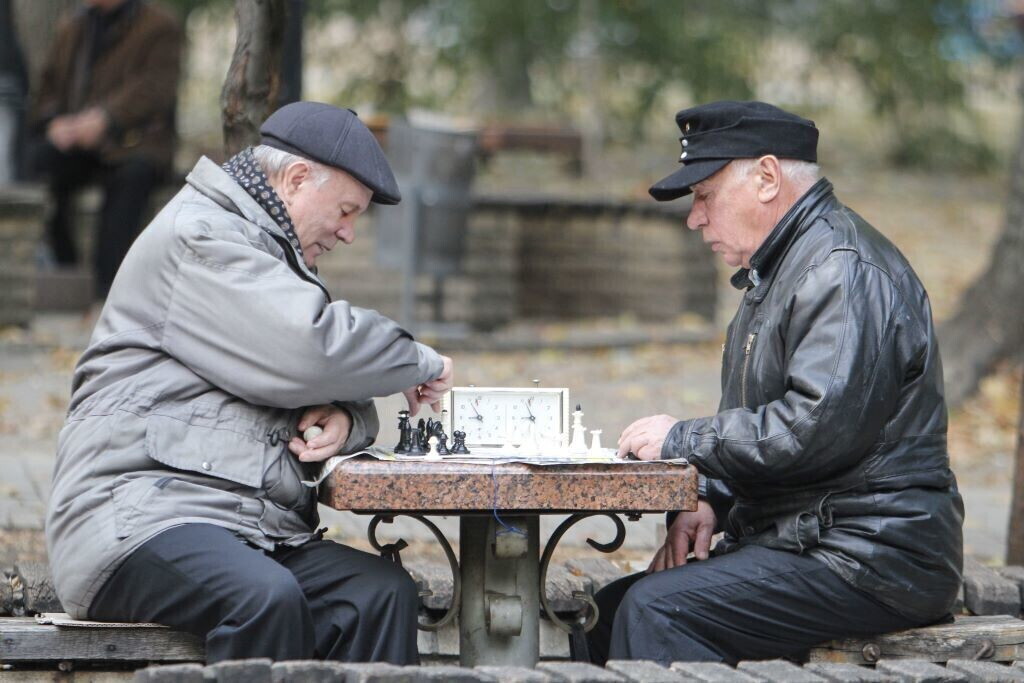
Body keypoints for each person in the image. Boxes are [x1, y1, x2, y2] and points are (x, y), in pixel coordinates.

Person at [46, 102, 454, 664]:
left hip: (243, 527)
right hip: (136, 517)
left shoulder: (272, 255)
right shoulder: (202, 238)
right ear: (295, 178)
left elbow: (300, 380)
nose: (349, 233)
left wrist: (349, 418)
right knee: (264, 597)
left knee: (378, 595)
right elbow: (308, 349)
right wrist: (419, 360)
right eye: (345, 210)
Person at [593, 101, 964, 665]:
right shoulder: (783, 268)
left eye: (705, 196)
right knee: (608, 612)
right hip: (816, 537)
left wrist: (681, 440)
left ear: (767, 178)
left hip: (874, 555)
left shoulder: (840, 269)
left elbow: (812, 430)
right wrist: (711, 496)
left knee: (656, 609)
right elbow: (770, 428)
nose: (695, 219)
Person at [27, 0, 181, 300]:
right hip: (79, 146)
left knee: (132, 178)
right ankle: (64, 270)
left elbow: (156, 89)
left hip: (136, 144)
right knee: (40, 162)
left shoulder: (159, 25)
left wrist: (105, 120)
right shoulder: (74, 26)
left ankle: (107, 290)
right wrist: (54, 124)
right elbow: (48, 89)